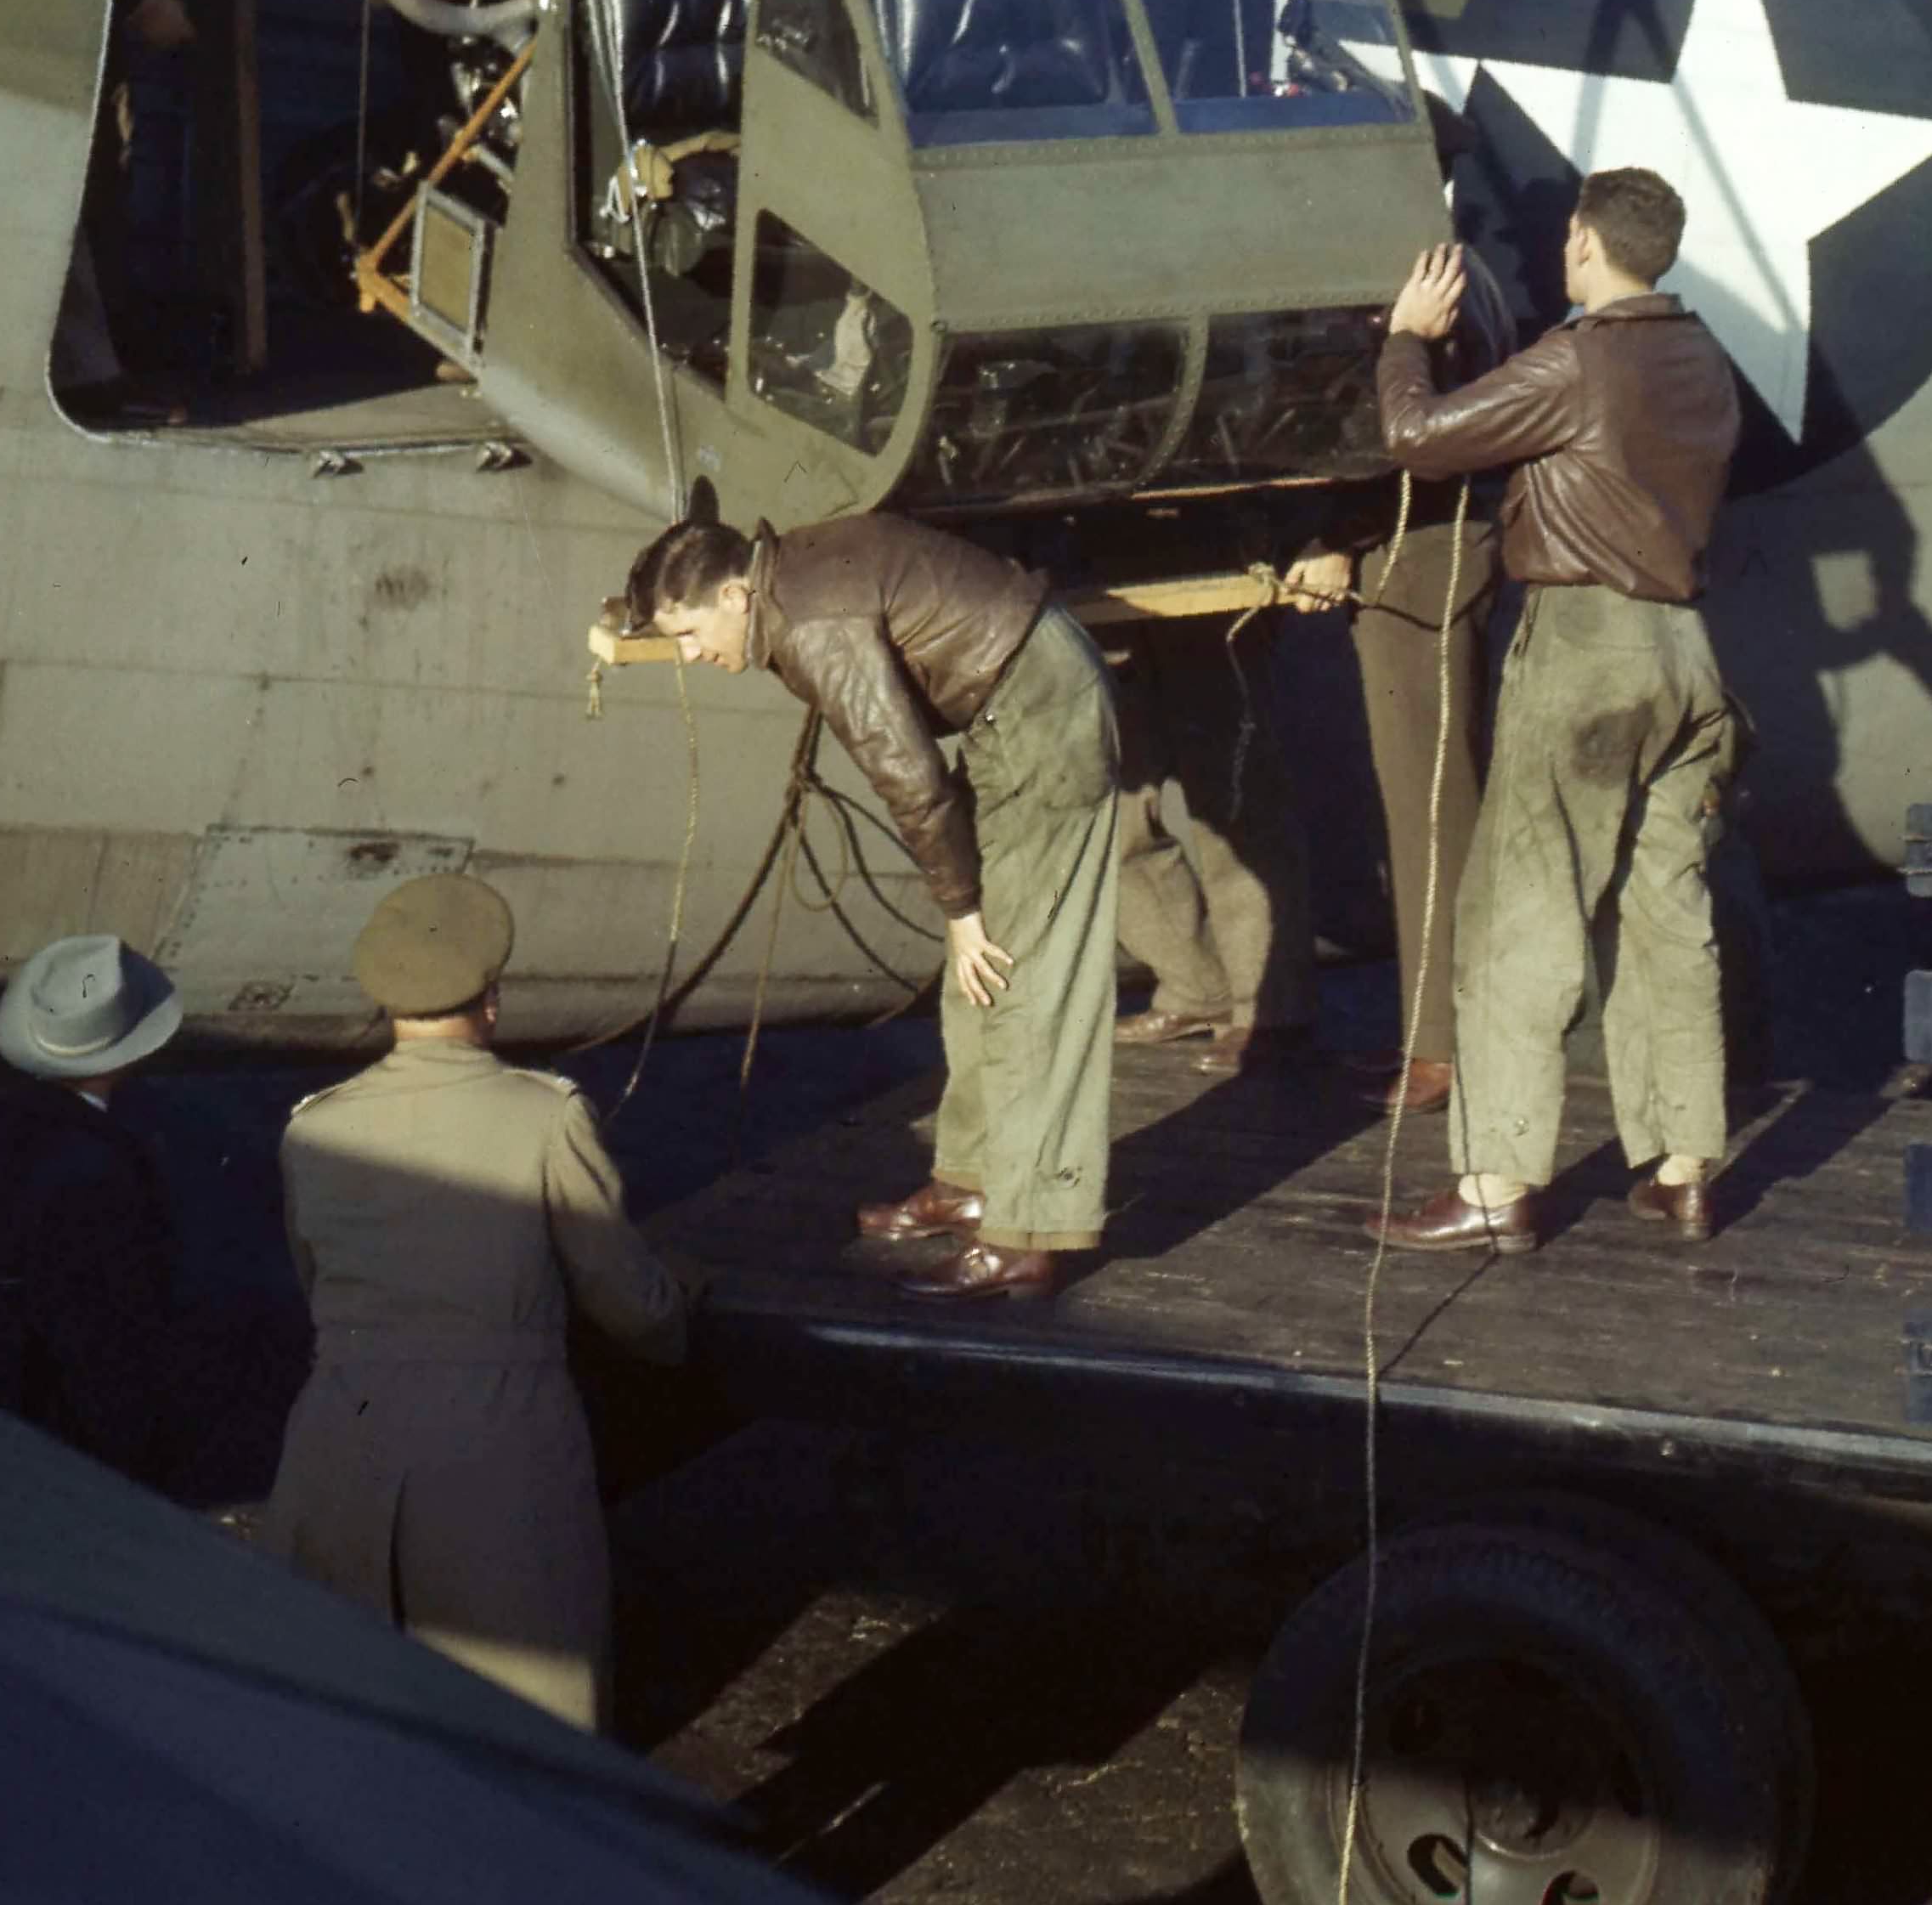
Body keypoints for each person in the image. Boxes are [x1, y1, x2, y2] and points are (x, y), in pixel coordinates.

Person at [1363, 166, 1749, 1255]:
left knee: (1516, 917)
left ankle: (1494, 1181)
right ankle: (1682, 1166)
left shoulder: (1577, 357)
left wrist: (1404, 339)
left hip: (1585, 652)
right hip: (1687, 655)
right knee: (1667, 916)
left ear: (1582, 240)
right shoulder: (1703, 356)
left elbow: (1416, 435)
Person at [608, 500, 1120, 1307]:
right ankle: (971, 1180)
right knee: (980, 972)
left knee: (1023, 974)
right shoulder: (785, 583)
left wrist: (961, 909)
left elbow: (908, 774)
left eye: (692, 633)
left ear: (736, 594)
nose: (692, 654)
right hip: (1009, 699)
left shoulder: (814, 626)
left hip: (1041, 709)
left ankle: (1026, 1237)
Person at [248, 872, 692, 1732]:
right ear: (492, 998)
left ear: (385, 1002)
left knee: (342, 1719)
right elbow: (630, 1302)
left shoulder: (312, 1127)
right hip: (499, 1446)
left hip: (339, 1441)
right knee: (526, 1728)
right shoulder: (545, 1116)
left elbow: (319, 1284)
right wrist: (683, 1313)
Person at [1280, 179, 1527, 1111]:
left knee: (1430, 805)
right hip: (1437, 547)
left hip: (1417, 553)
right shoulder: (1465, 270)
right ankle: (1438, 1032)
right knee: (1434, 798)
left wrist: (1336, 537)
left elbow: (1404, 442)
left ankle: (1443, 1048)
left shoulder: (1425, 284)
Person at [1107, 627, 1312, 1073]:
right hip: (1094, 614)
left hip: (1206, 610)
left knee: (1236, 805)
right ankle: (1198, 989)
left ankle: (1268, 1009)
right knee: (1113, 817)